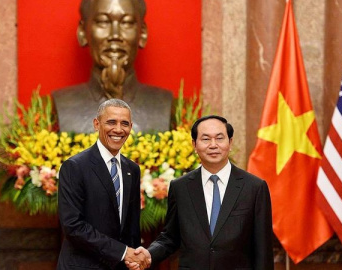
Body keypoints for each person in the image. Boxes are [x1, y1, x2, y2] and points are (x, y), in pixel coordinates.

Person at [126, 115, 274, 270]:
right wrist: (149, 255)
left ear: (230, 143)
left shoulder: (254, 187)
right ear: (194, 145)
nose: (213, 145)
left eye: (219, 138)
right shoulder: (180, 187)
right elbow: (170, 237)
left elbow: (263, 249)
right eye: (205, 139)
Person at [52, 0, 173, 134]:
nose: (115, 35)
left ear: (142, 33)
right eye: (103, 22)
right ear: (82, 32)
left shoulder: (165, 105)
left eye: (126, 23)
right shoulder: (63, 104)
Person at [57, 99, 148, 270]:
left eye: (125, 124)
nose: (118, 129)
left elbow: (132, 226)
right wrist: (122, 252)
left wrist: (134, 257)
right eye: (111, 122)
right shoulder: (75, 167)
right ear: (96, 124)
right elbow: (73, 226)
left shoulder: (132, 169)